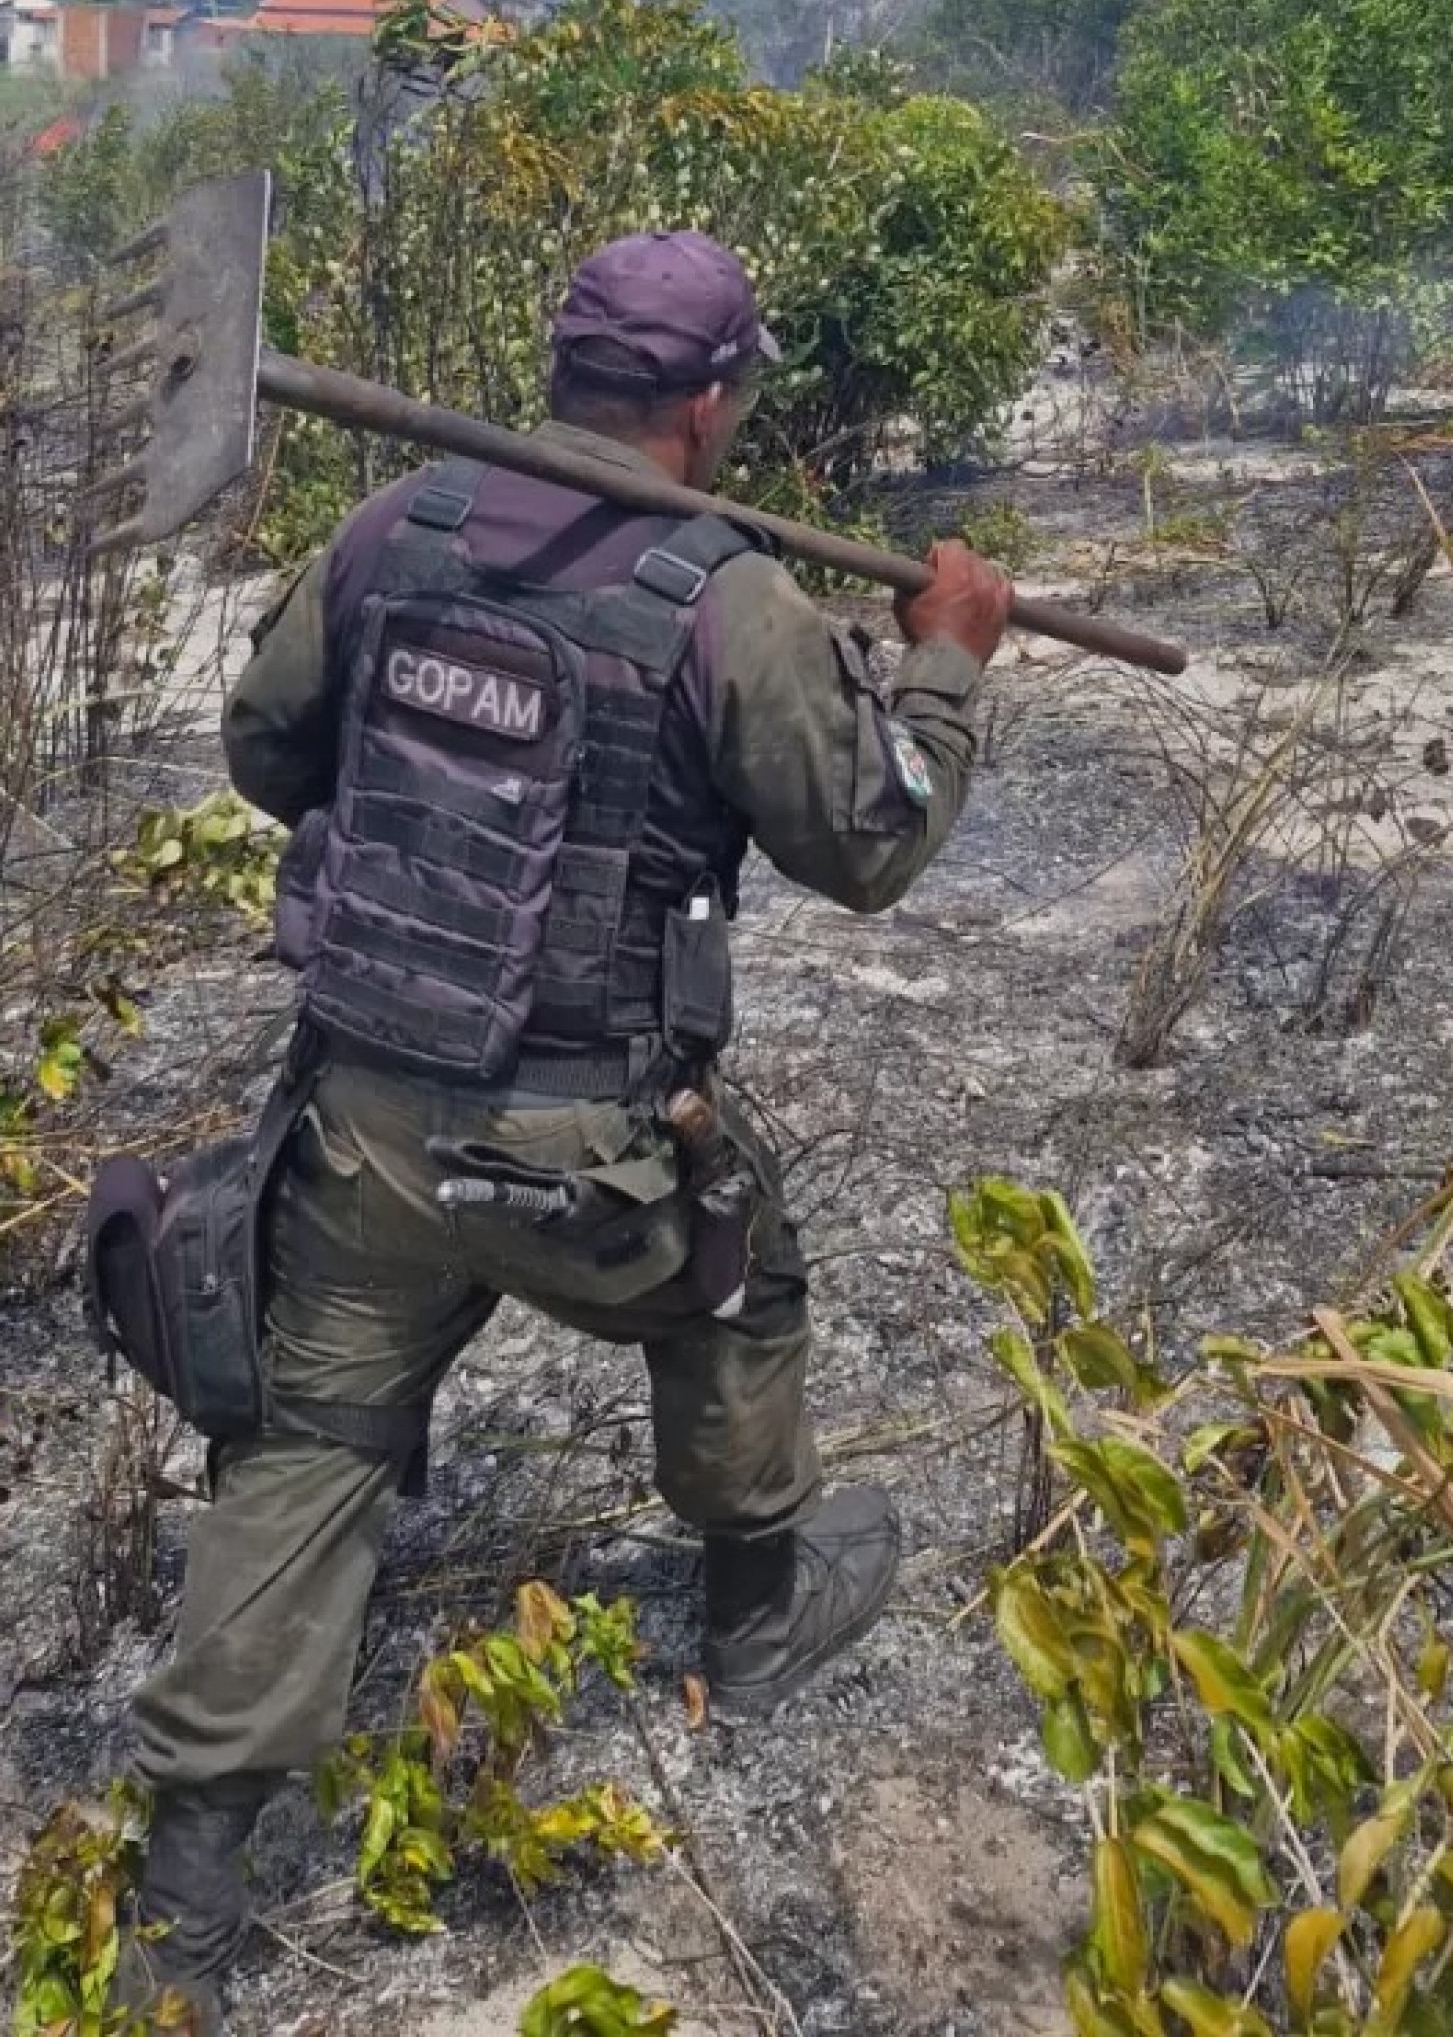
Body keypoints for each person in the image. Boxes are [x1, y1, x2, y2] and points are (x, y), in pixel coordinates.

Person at [118, 231, 1012, 2024]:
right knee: (748, 1278)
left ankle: (178, 1927)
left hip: (364, 1129)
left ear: (563, 372)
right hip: (590, 1164)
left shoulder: (396, 534)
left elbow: (265, 749)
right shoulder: (729, 599)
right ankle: (754, 1621)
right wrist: (943, 665)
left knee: (307, 1441)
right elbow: (871, 844)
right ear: (707, 400)